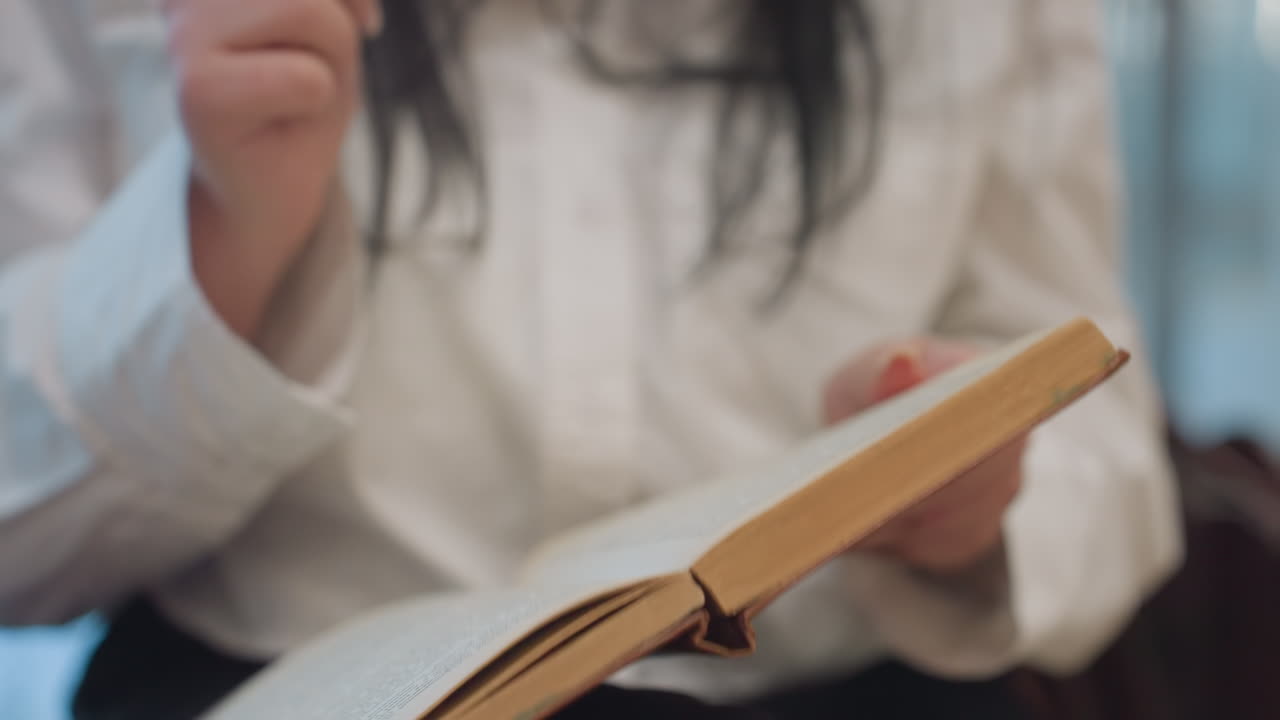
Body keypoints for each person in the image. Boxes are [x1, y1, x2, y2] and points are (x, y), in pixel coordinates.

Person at [0, 0, 1181, 717]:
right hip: (271, 683)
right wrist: (221, 240)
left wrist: (969, 500)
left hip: (842, 691)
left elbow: (1108, 446)